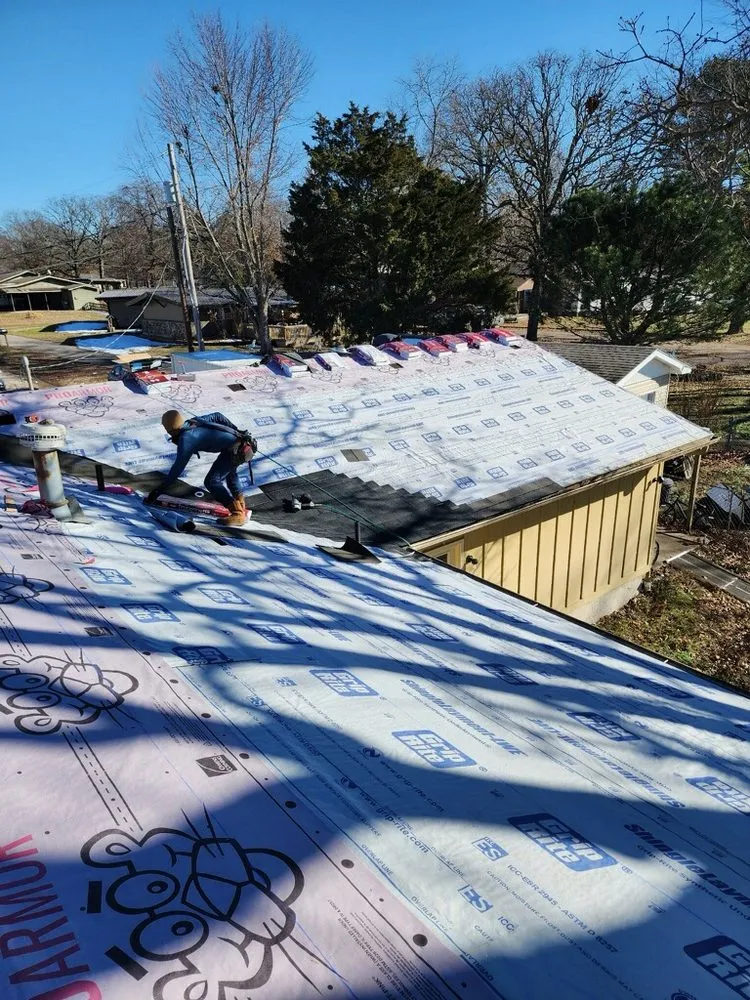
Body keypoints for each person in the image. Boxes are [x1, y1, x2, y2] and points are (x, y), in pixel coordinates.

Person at [144, 410, 249, 526]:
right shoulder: (192, 422)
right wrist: (236, 431)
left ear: (169, 430)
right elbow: (217, 416)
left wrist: (159, 490)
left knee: (211, 482)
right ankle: (240, 503)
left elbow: (177, 469)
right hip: (241, 443)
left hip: (235, 449)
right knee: (230, 472)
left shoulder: (187, 438)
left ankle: (238, 513)